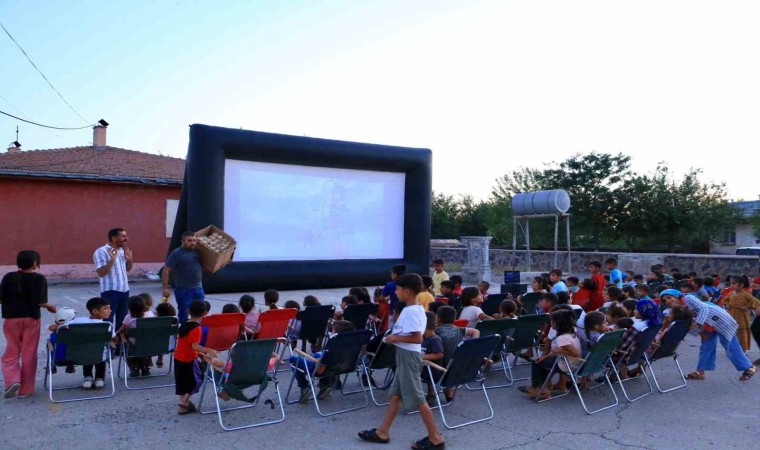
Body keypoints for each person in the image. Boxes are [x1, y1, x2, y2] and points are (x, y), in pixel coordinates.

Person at [358, 273, 445, 449]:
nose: (395, 292)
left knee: (418, 399)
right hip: (405, 356)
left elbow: (417, 338)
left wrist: (393, 338)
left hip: (408, 356)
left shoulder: (411, 311)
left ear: (407, 292)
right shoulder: (414, 308)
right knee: (396, 395)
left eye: (397, 289)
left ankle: (436, 438)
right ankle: (382, 432)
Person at [660, 289, 755, 382]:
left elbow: (703, 308)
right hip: (707, 325)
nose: (668, 301)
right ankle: (700, 372)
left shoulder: (688, 298)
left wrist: (697, 323)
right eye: (665, 301)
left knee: (731, 346)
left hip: (720, 320)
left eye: (669, 297)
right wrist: (700, 332)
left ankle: (749, 367)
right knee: (706, 347)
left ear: (676, 295)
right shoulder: (677, 309)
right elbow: (689, 323)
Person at [1, 250, 56, 399]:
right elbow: (41, 302)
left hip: (11, 319)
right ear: (35, 263)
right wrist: (50, 307)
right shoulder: (39, 279)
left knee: (11, 351)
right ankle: (26, 389)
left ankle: (12, 381)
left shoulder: (8, 277)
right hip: (31, 319)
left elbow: (1, 298)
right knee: (29, 353)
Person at [518, 310, 582, 399]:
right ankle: (543, 388)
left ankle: (537, 388)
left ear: (558, 323)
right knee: (542, 361)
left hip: (567, 365)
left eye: (552, 321)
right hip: (571, 362)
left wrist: (559, 350)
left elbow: (576, 353)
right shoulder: (572, 332)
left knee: (536, 363)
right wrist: (545, 356)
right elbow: (563, 352)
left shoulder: (562, 339)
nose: (550, 323)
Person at [290, 320, 356, 403]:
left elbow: (319, 371)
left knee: (293, 358)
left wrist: (319, 362)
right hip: (343, 367)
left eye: (333, 331)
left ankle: (304, 386)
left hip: (322, 370)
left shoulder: (332, 346)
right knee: (318, 354)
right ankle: (324, 385)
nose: (331, 333)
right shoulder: (353, 344)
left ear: (336, 333)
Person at [174, 300, 218, 415]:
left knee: (181, 382)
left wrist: (202, 355)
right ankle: (184, 401)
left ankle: (183, 406)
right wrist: (209, 350)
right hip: (189, 359)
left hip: (178, 357)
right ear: (205, 313)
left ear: (188, 311)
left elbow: (186, 344)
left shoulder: (184, 323)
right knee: (197, 380)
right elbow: (194, 345)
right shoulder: (197, 328)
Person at [62, 297, 115, 389]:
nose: (110, 311)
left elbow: (57, 328)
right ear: (95, 311)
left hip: (81, 355)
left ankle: (88, 377)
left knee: (86, 351)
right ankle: (99, 378)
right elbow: (115, 339)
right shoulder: (106, 325)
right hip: (99, 355)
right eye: (106, 308)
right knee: (101, 352)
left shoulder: (78, 321)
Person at [434, 305, 479, 403]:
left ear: (438, 318)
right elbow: (476, 331)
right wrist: (473, 347)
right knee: (451, 357)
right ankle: (448, 388)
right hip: (459, 370)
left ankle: (431, 393)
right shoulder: (459, 330)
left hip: (440, 371)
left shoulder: (435, 332)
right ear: (454, 318)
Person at [94, 227, 133, 330]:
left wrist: (129, 259)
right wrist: (112, 260)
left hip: (125, 291)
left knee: (123, 321)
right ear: (114, 238)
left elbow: (128, 269)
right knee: (108, 321)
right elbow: (101, 273)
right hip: (110, 292)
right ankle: (107, 344)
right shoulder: (101, 252)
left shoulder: (122, 251)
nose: (126, 238)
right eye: (123, 236)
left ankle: (119, 345)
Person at [162, 231, 204, 322]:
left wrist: (219, 265)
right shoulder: (176, 253)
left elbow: (205, 268)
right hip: (183, 290)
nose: (192, 243)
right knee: (184, 314)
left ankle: (198, 333)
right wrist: (165, 288)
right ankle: (183, 332)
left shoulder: (197, 252)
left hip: (198, 288)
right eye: (189, 241)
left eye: (194, 240)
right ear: (183, 241)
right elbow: (166, 270)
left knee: (200, 314)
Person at [723, 276, 760, 352]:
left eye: (734, 283)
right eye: (730, 283)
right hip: (732, 316)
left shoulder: (746, 295)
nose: (731, 285)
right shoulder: (731, 294)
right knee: (732, 333)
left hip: (742, 318)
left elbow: (756, 302)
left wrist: (747, 306)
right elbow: (725, 300)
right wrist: (727, 306)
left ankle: (742, 351)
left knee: (742, 334)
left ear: (741, 285)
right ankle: (734, 349)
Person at [116, 295, 150, 377]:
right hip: (147, 343)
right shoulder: (149, 315)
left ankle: (133, 369)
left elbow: (122, 328)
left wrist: (117, 332)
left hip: (133, 344)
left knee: (128, 353)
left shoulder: (128, 317)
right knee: (142, 353)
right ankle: (145, 368)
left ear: (130, 308)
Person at [420, 311, 444, 403]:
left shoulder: (434, 339)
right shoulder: (424, 337)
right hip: (424, 367)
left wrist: (422, 356)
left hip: (432, 370)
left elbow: (439, 354)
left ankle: (431, 394)